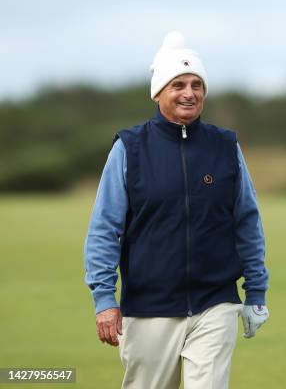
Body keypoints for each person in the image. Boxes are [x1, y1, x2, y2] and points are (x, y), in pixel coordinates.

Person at [84, 31, 269, 389]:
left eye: (197, 84)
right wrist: (104, 299)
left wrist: (256, 292)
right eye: (178, 84)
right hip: (148, 306)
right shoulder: (129, 148)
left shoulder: (225, 146)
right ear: (158, 92)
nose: (189, 92)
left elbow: (247, 220)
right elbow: (105, 227)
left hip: (216, 302)